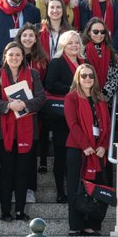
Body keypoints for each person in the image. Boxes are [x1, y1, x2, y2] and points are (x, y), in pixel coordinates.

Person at [0, 43, 46, 222]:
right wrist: (8, 105)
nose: (14, 58)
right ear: (5, 56)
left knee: (23, 171)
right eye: (11, 55)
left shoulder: (33, 74)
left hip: (27, 129)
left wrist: (25, 105)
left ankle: (20, 210)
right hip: (4, 131)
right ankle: (5, 211)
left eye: (18, 55)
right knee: (7, 171)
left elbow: (41, 98)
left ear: (23, 57)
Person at [64, 62, 112, 236]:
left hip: (98, 151)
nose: (87, 78)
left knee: (98, 188)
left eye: (91, 75)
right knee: (76, 187)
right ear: (78, 77)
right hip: (78, 149)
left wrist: (103, 146)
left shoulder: (100, 99)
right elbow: (72, 123)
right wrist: (86, 145)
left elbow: (106, 126)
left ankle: (93, 224)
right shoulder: (71, 97)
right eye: (83, 75)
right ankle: (76, 225)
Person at [43, 29, 86, 202]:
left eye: (77, 42)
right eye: (70, 43)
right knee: (61, 155)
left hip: (81, 116)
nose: (74, 45)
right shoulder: (57, 62)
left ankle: (76, 189)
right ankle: (61, 192)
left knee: (77, 155)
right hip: (62, 118)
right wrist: (73, 90)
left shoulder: (84, 62)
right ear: (63, 45)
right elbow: (50, 84)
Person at [80, 18, 118, 99]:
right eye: (96, 32)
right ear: (89, 32)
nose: (99, 34)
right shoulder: (81, 52)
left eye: (102, 32)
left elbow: (117, 77)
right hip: (85, 96)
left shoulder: (111, 52)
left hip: (105, 97)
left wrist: (104, 92)